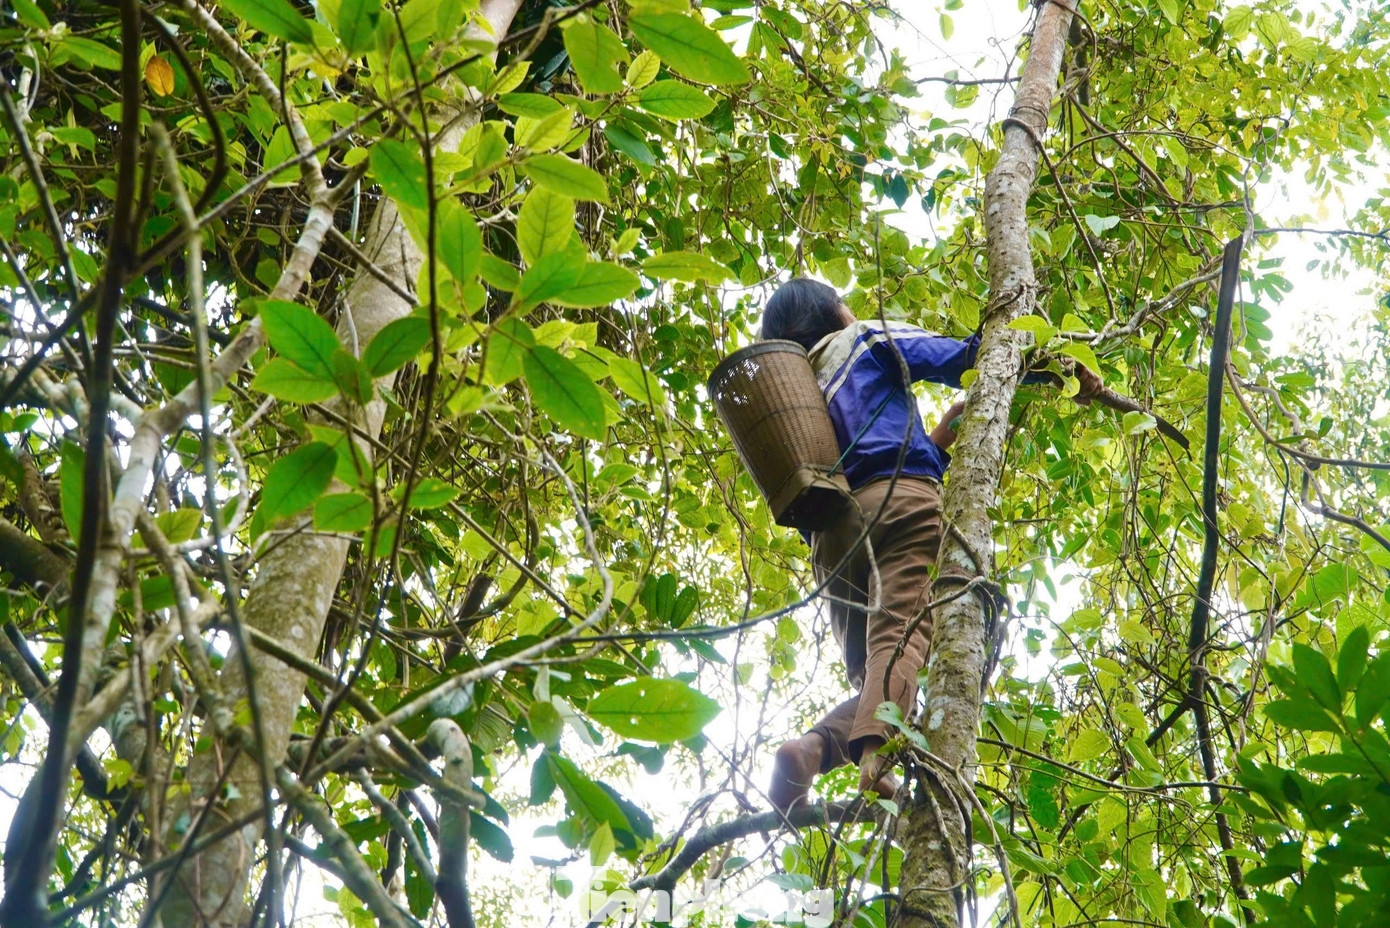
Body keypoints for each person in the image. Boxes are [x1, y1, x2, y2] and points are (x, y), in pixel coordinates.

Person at [760, 278, 1101, 810]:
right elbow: (974, 358)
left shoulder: (797, 393)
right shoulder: (867, 339)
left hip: (832, 544)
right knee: (901, 639)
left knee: (890, 670)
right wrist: (1057, 367)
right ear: (836, 313)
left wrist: (938, 439)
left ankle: (813, 749)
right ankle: (875, 760)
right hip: (900, 507)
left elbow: (857, 453)